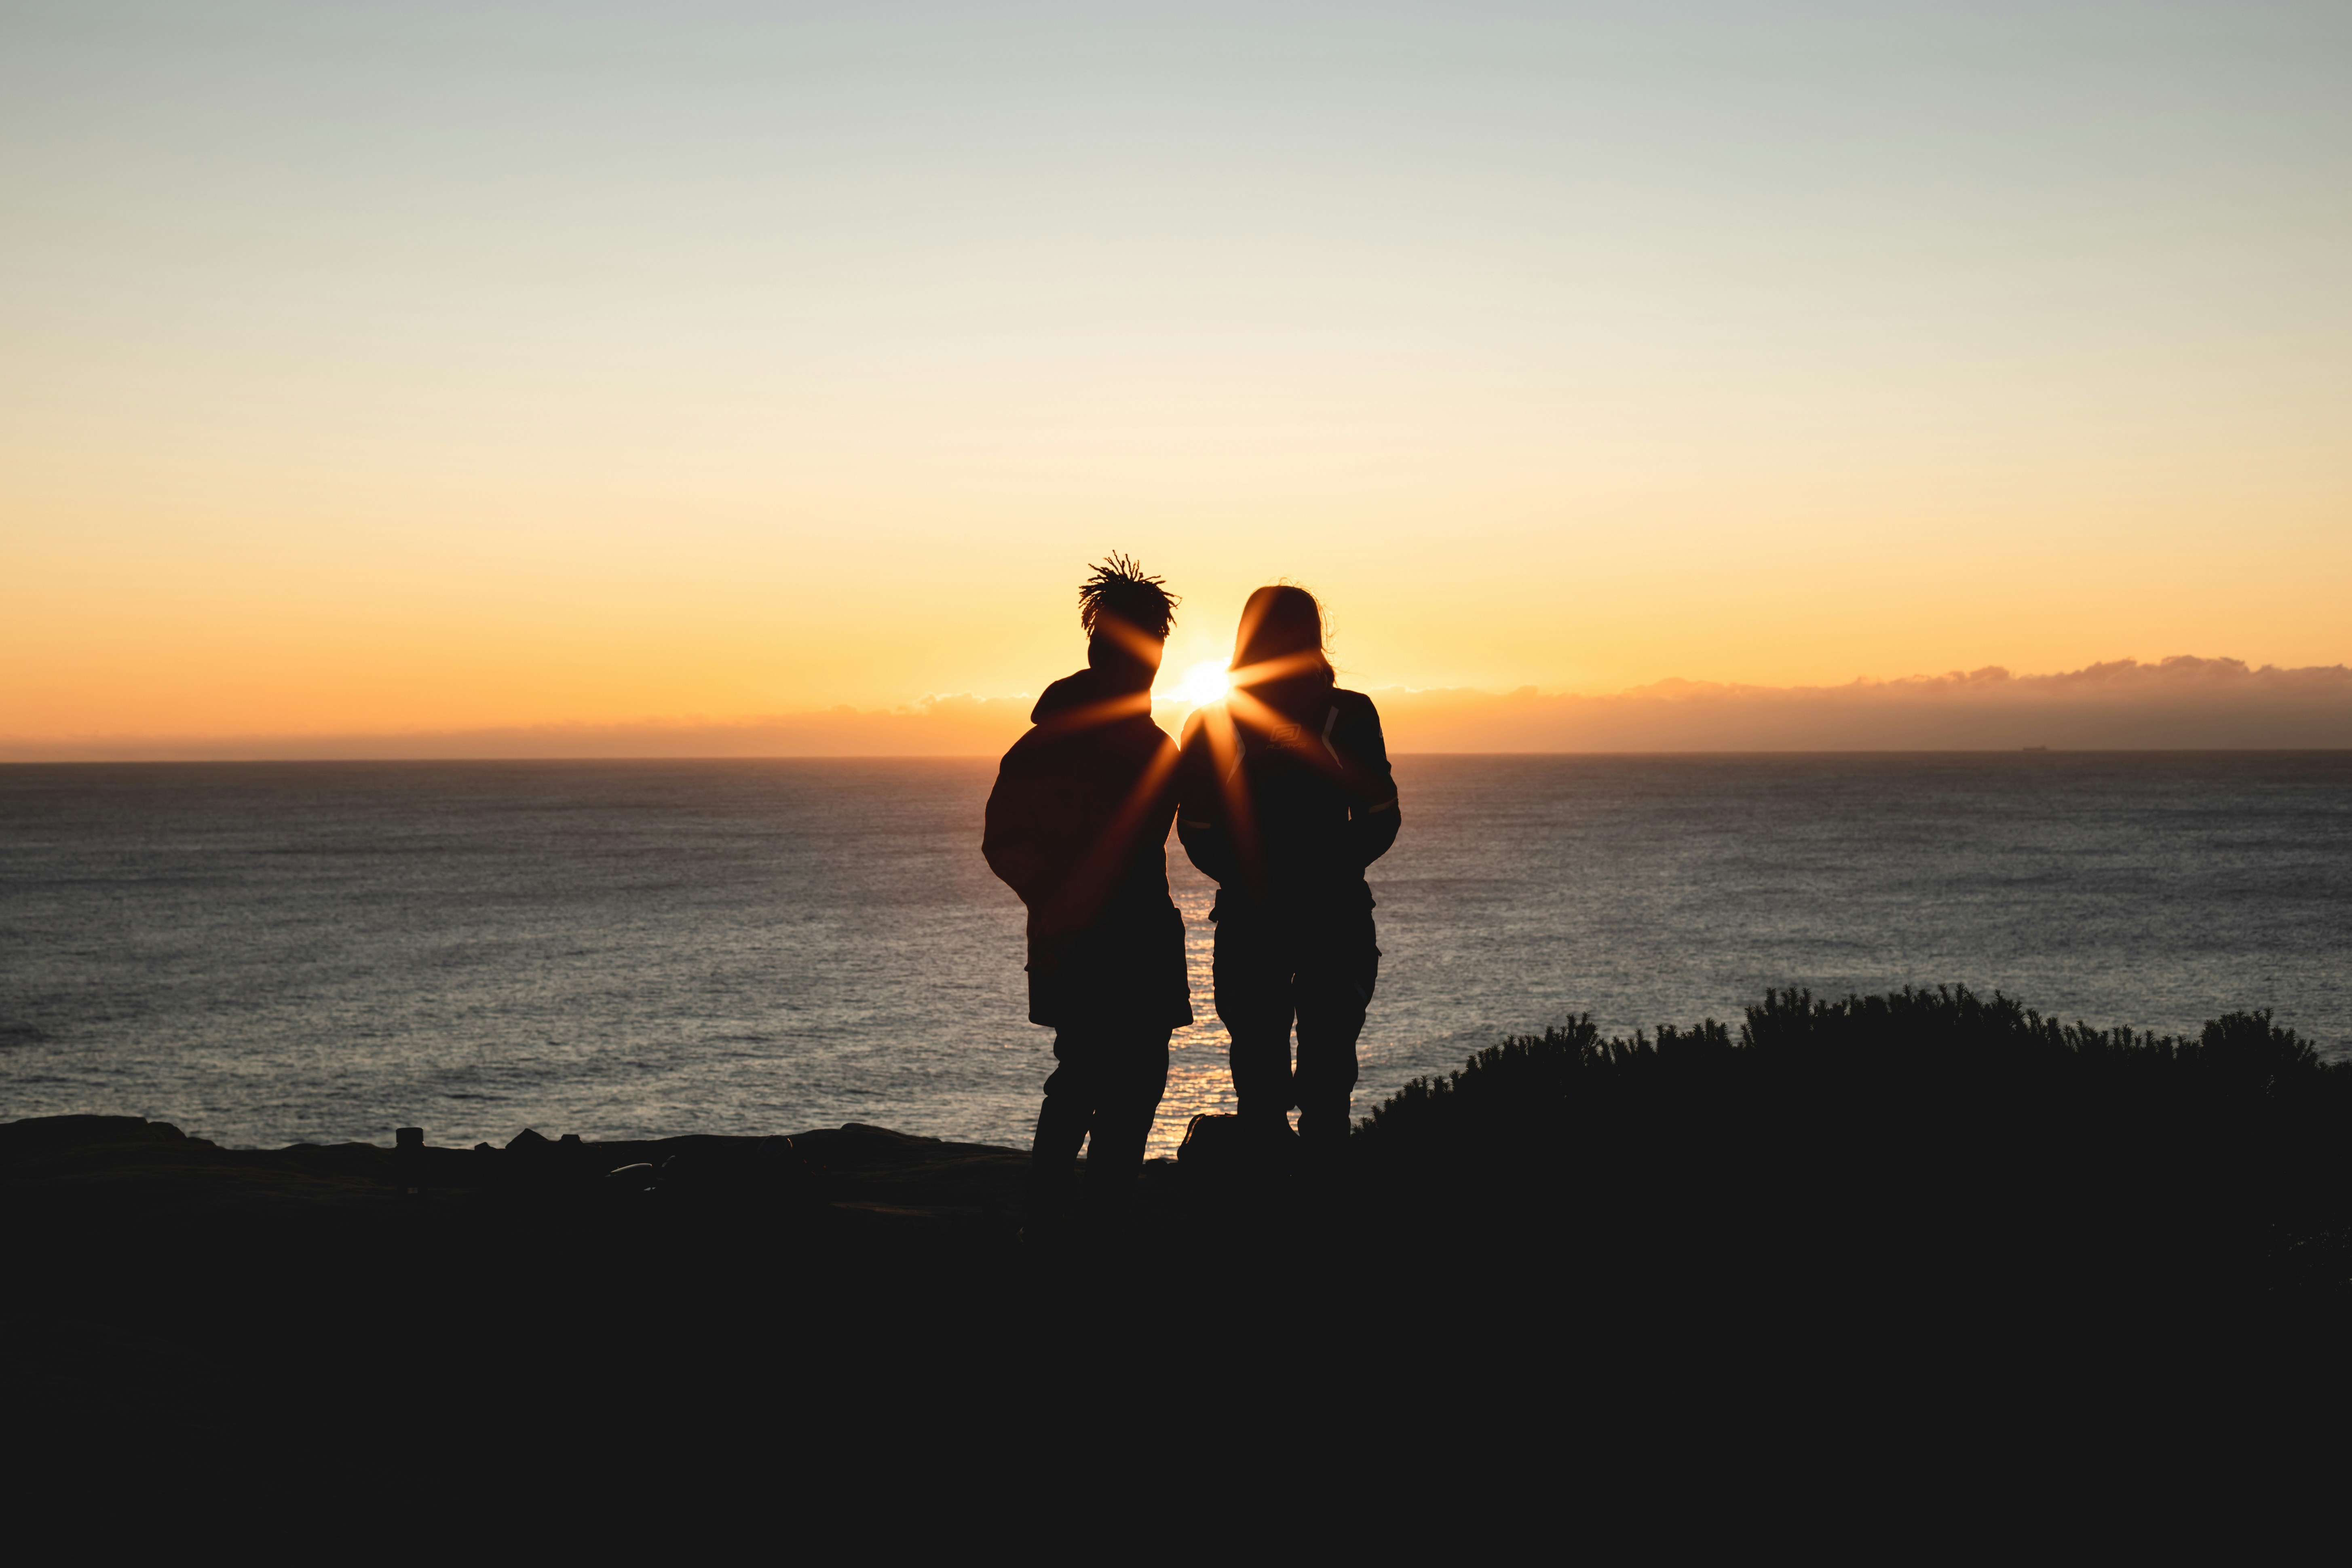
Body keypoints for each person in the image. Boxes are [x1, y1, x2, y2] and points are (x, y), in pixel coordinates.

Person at [983, 554, 1191, 1227]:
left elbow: (1005, 844)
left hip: (1106, 939)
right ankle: (1073, 1223)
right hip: (1098, 942)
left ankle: (1075, 1221)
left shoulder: (1135, 745)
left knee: (1100, 1084)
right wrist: (1068, 902)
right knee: (1096, 1085)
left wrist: (1056, 905)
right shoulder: (1071, 747)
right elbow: (1008, 844)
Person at [1175, 585, 1399, 1158]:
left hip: (1272, 917)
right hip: (1325, 914)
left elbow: (1198, 832)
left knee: (1272, 1072)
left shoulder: (1217, 720)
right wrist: (1326, 869)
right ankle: (1309, 1201)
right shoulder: (1346, 713)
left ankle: (1274, 1195)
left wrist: (1254, 878)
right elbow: (1380, 816)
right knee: (1310, 1074)